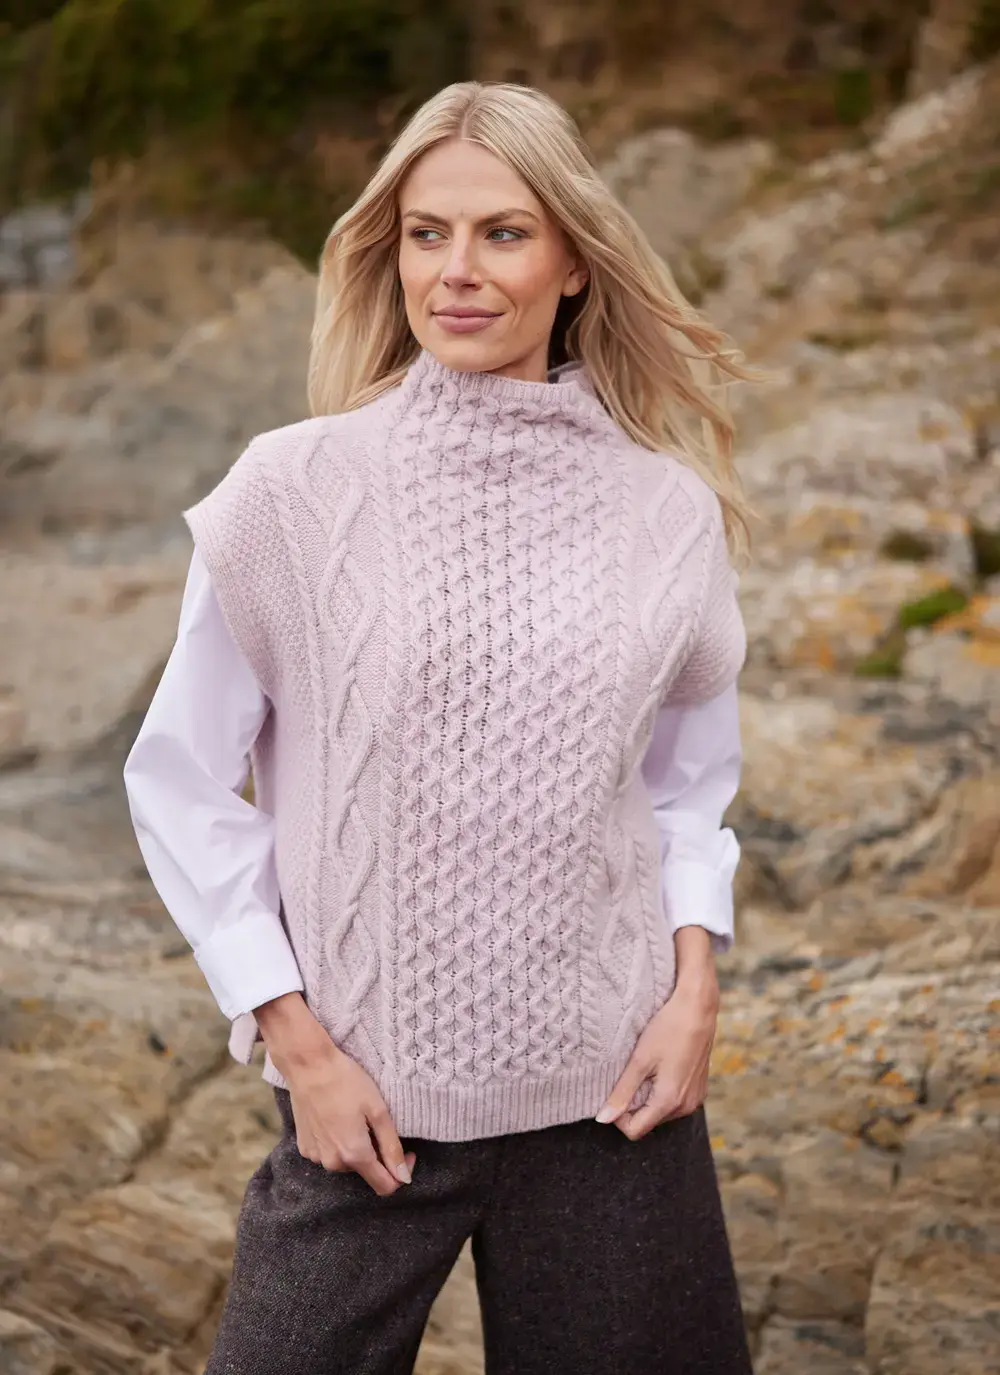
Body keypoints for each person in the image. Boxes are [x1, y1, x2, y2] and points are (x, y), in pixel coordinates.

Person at [123, 79, 759, 1375]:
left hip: (616, 1105)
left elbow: (685, 787)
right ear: (394, 252)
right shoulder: (291, 492)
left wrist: (694, 990)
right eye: (428, 234)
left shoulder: (666, 512)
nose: (457, 270)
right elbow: (178, 779)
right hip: (364, 1114)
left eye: (502, 233)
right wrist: (295, 1042)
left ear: (574, 260)